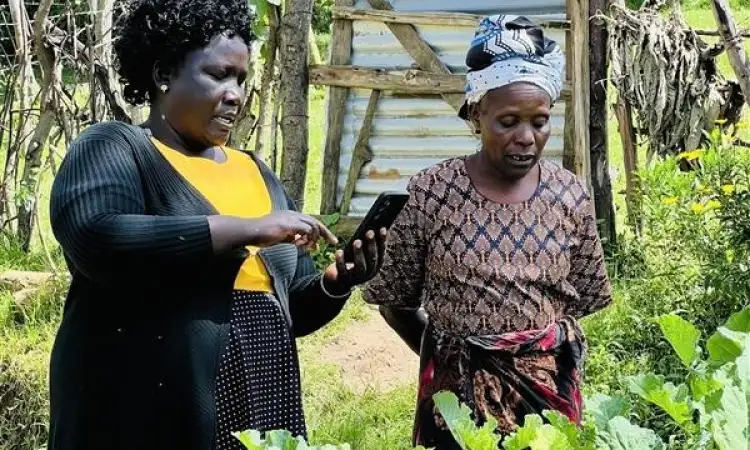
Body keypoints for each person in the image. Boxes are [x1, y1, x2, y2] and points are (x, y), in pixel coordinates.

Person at [46, 1, 386, 449]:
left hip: (264, 396)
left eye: (241, 80)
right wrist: (244, 229)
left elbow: (288, 310)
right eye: (218, 74)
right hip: (149, 409)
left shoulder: (254, 172)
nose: (235, 93)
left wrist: (334, 283)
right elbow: (98, 238)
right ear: (164, 72)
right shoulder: (118, 147)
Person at [364, 15, 612, 449]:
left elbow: (582, 301)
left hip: (547, 402)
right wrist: (452, 356)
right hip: (457, 405)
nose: (526, 137)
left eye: (539, 121)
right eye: (508, 121)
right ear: (476, 112)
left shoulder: (569, 194)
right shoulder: (434, 192)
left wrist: (526, 355)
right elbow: (394, 301)